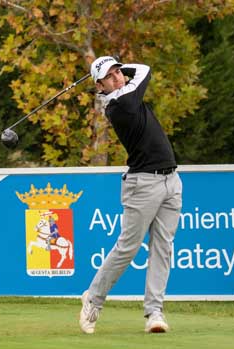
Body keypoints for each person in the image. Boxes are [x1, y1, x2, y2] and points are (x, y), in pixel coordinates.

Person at [79, 56, 183, 334]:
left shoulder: (124, 93)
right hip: (143, 183)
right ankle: (93, 298)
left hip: (171, 179)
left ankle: (155, 313)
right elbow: (145, 68)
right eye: (110, 77)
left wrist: (112, 67)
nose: (118, 78)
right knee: (128, 247)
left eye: (118, 73)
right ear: (100, 86)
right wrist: (122, 67)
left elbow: (134, 74)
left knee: (164, 247)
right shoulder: (119, 104)